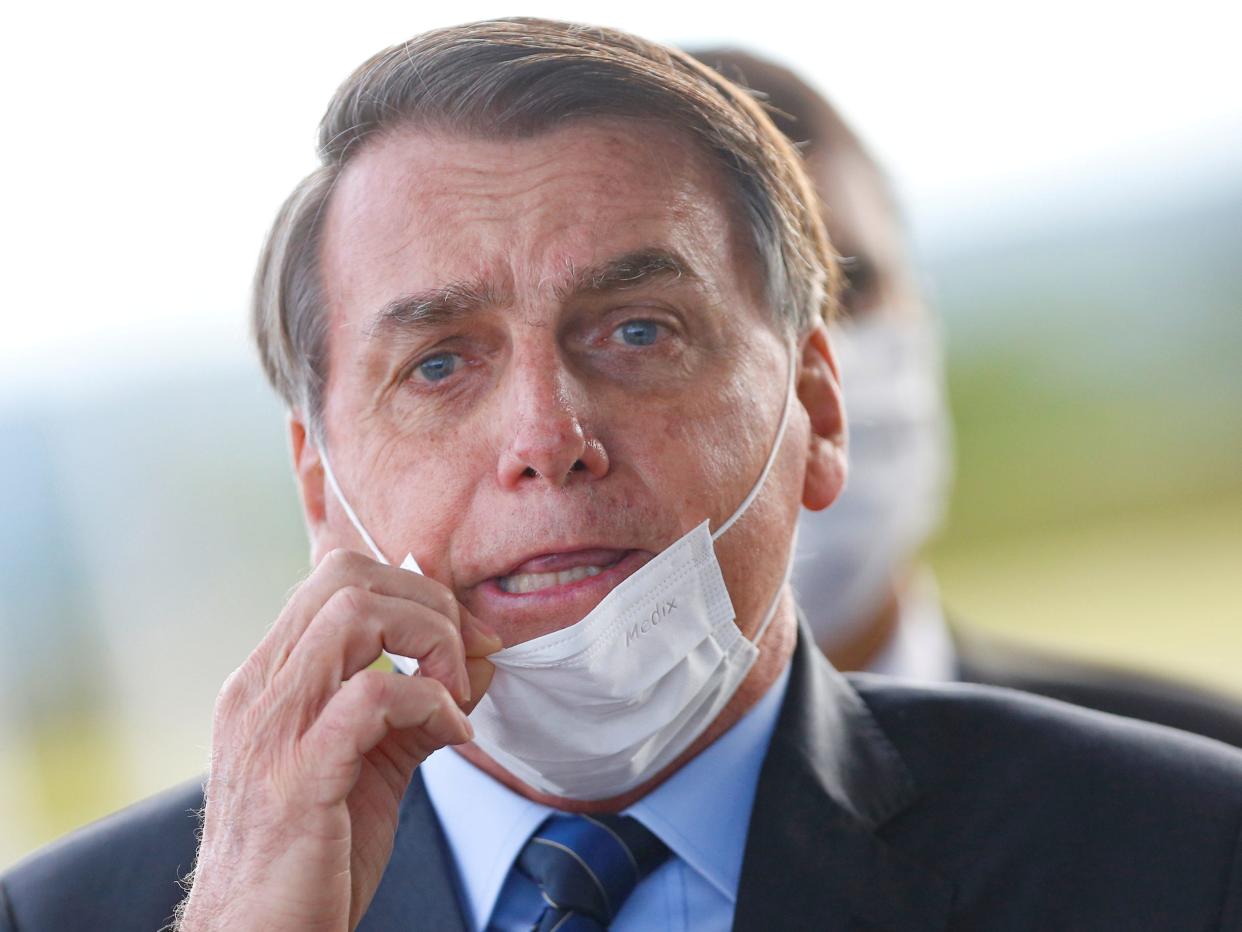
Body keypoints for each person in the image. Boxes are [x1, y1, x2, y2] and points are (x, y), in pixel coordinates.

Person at [3, 19, 1242, 932]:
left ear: (816, 404)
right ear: (320, 486)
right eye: (439, 364)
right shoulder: (65, 915)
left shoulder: (1185, 857)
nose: (547, 433)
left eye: (637, 331)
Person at [690, 48, 1242, 747]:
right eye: (680, 321)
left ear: (919, 301)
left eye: (849, 287)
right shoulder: (552, 846)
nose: (817, 365)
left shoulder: (1199, 788)